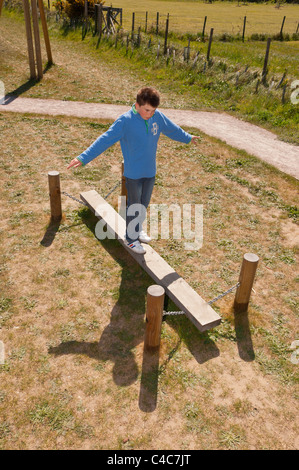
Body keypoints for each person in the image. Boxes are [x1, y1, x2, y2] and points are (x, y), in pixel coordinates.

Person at [67, 86, 200, 254]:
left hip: (150, 171)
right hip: (133, 174)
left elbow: (172, 129)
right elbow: (104, 140)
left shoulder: (156, 117)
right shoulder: (125, 121)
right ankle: (130, 239)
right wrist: (83, 158)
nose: (150, 114)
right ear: (137, 105)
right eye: (146, 110)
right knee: (134, 205)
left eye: (153, 110)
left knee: (143, 205)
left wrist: (187, 137)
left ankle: (137, 229)